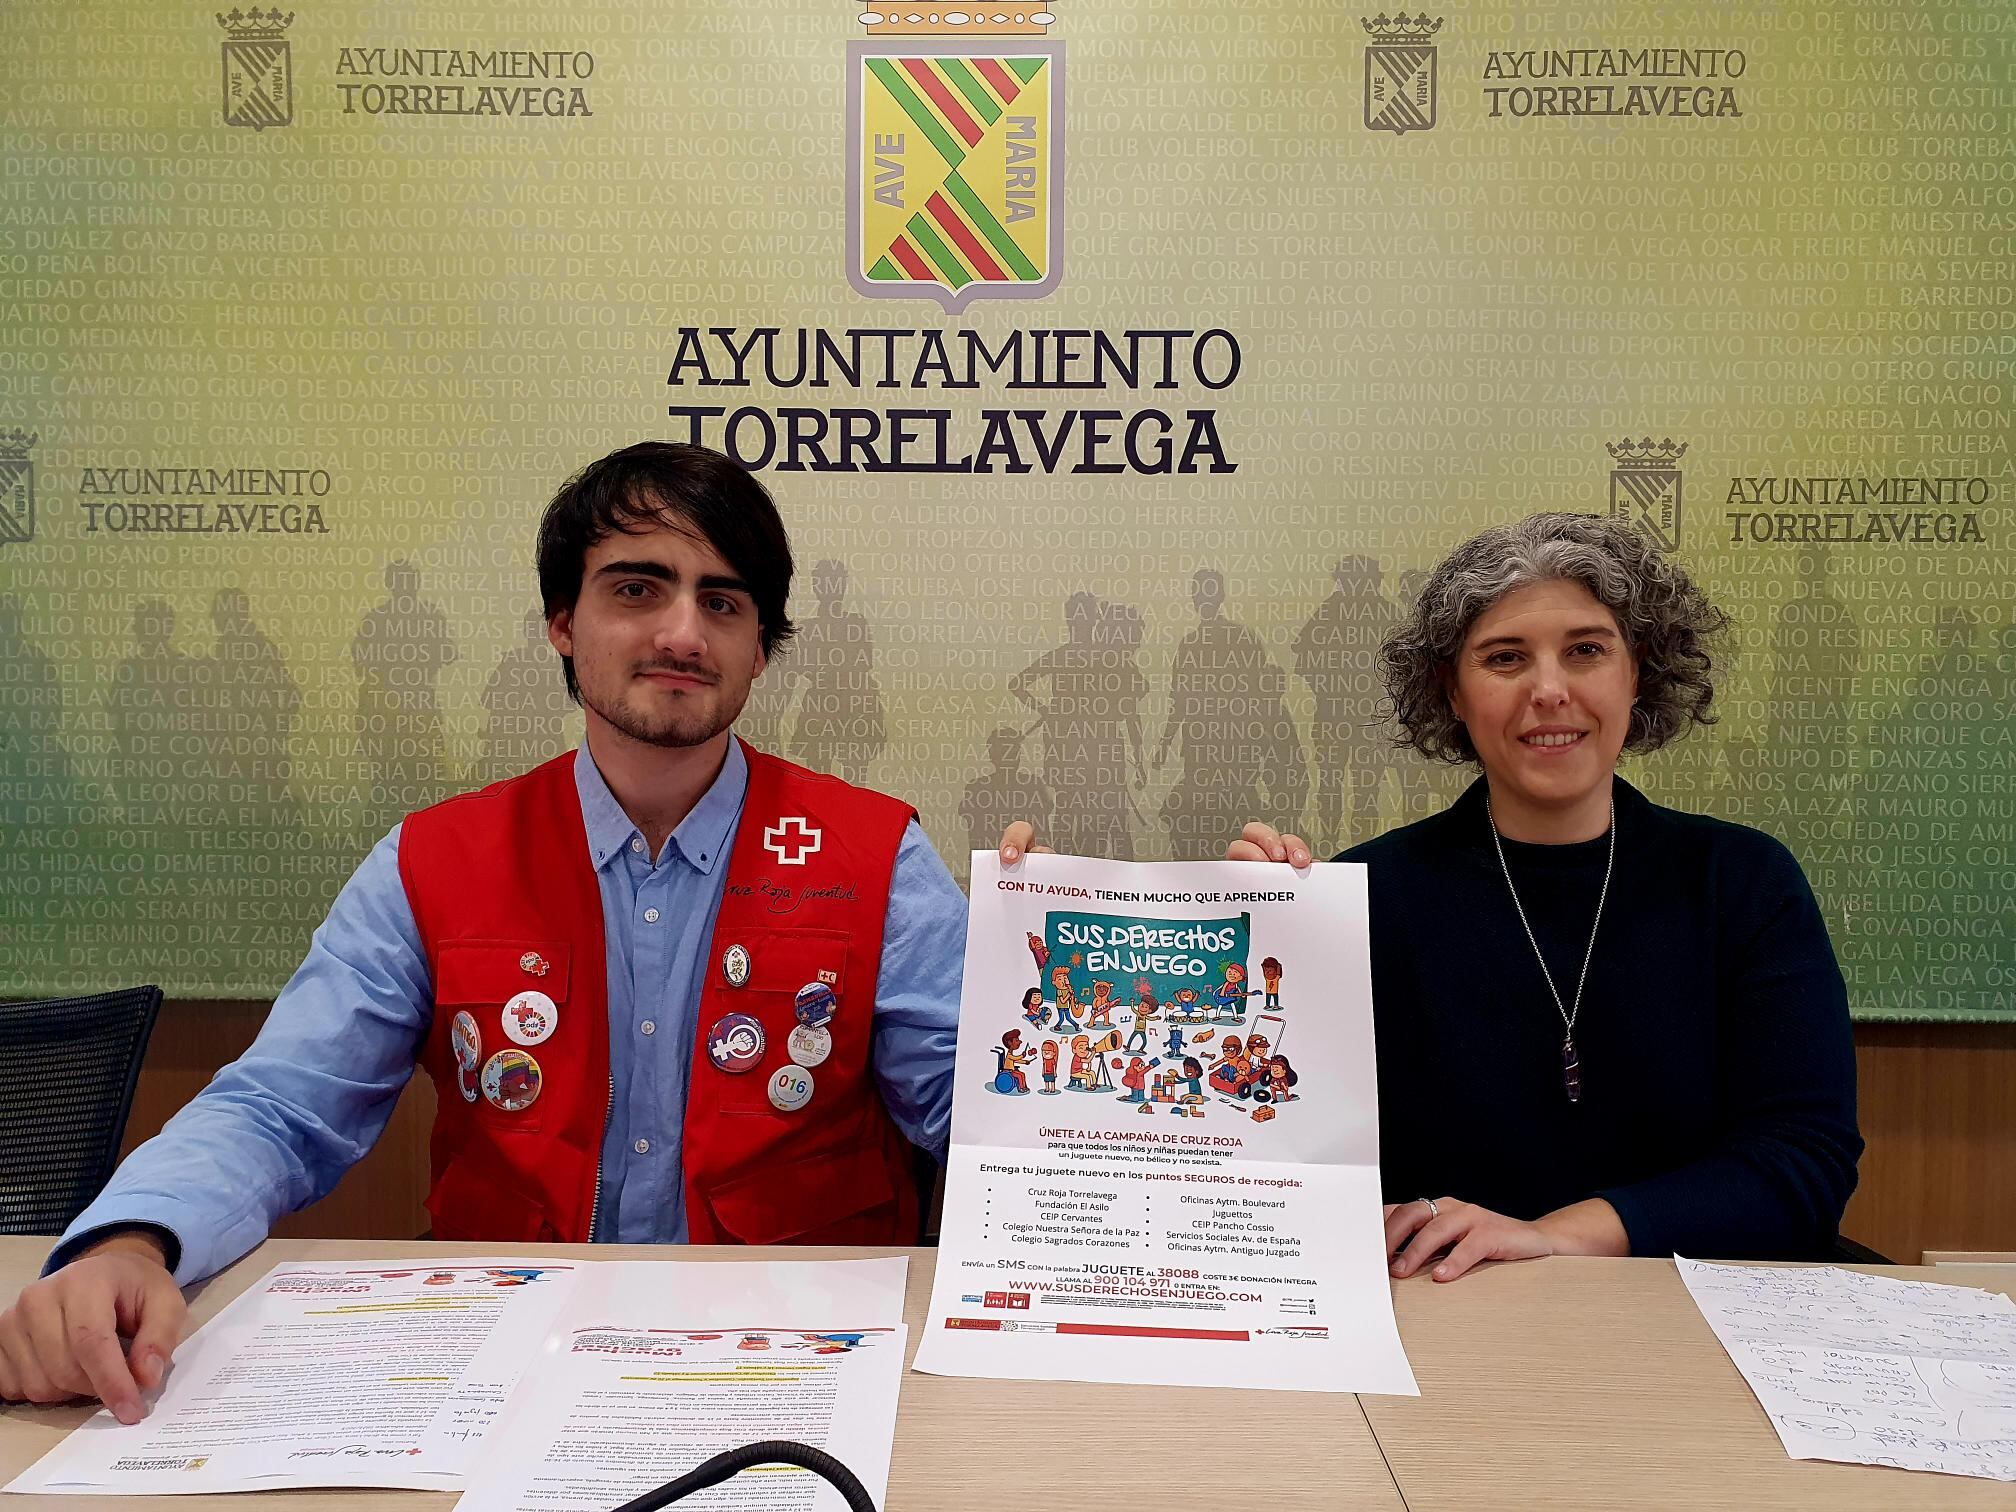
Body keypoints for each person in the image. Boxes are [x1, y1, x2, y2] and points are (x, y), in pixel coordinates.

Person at [1, 442, 967, 1422]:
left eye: (722, 602)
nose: (683, 631)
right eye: (638, 589)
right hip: (503, 1372)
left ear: (760, 648)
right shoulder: (435, 861)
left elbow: (986, 1124)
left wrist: (1054, 995)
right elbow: (281, 1104)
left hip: (801, 1369)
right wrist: (130, 1242)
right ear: (562, 622)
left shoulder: (875, 856)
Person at [998, 512, 1862, 1281]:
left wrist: (1554, 1237)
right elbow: (1243, 1145)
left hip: (1683, 1324)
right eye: (1505, 658)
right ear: (1452, 692)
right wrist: (1229, 940)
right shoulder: (1360, 897)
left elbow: (1801, 1163)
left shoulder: (1743, 883)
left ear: (1640, 675)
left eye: (1588, 649)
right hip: (1436, 1320)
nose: (1549, 690)